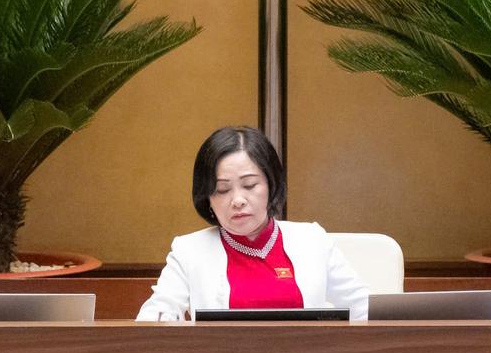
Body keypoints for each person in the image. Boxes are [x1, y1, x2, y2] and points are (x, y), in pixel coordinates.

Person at [136, 126, 369, 320]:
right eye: (222, 189)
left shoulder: (312, 239)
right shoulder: (189, 250)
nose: (237, 200)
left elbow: (364, 308)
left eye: (249, 185)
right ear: (207, 198)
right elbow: (156, 316)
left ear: (271, 185)